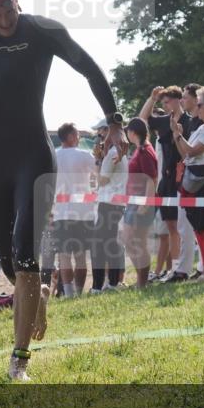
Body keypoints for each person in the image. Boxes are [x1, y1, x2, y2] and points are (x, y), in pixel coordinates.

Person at [0, 0, 118, 381]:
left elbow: (89, 69)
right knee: (10, 266)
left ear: (17, 0)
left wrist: (114, 118)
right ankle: (42, 293)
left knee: (25, 255)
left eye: (8, 9)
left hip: (33, 158)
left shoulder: (40, 30)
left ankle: (18, 361)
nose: (4, 20)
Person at [171, 87, 204, 281]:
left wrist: (178, 135)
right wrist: (177, 135)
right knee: (198, 228)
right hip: (193, 180)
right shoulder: (202, 128)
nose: (197, 108)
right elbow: (185, 153)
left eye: (200, 104)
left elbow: (191, 151)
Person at [139, 86, 187, 281]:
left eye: (167, 102)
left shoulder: (188, 121)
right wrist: (152, 99)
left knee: (180, 228)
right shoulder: (165, 120)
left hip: (182, 178)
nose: (165, 105)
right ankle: (173, 269)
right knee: (171, 227)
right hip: (166, 181)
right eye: (163, 102)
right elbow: (142, 120)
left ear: (179, 100)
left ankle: (179, 268)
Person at [54, 122, 97, 296]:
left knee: (64, 255)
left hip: (61, 212)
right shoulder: (84, 155)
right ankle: (78, 292)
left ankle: (69, 293)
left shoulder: (53, 155)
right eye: (77, 134)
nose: (79, 137)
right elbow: (100, 173)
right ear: (71, 136)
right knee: (80, 256)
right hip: (82, 211)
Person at [91, 120, 128, 292]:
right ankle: (112, 283)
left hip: (108, 204)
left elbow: (102, 180)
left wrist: (97, 161)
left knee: (99, 246)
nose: (99, 136)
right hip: (114, 203)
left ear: (109, 131)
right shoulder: (116, 152)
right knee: (110, 244)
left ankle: (98, 286)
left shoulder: (113, 152)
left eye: (101, 132)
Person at [122, 117, 159, 288]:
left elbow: (151, 179)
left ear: (133, 132)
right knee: (130, 241)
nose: (126, 134)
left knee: (137, 242)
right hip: (133, 201)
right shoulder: (140, 149)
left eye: (127, 131)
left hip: (141, 202)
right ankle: (140, 280)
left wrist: (146, 204)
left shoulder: (145, 151)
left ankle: (142, 282)